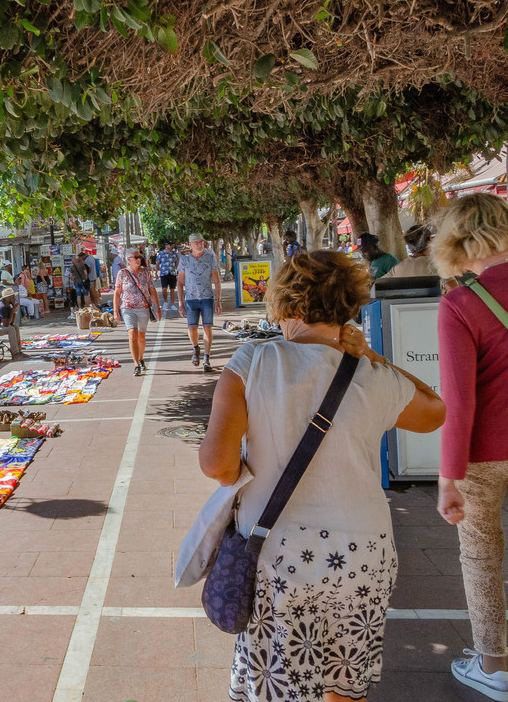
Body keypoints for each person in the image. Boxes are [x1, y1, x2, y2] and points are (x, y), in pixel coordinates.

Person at [200, 251, 444, 702]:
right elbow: (434, 411)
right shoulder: (371, 375)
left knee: (280, 683)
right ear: (349, 307)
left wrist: (246, 471)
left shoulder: (251, 361)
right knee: (345, 685)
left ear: (284, 304)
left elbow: (217, 466)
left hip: (279, 554)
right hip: (364, 554)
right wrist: (370, 354)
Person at [431, 194, 508, 700]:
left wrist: (447, 478)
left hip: (484, 452)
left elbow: (458, 403)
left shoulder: (461, 303)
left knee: (481, 554)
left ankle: (494, 666)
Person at [177, 233, 223, 372]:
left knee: (207, 327)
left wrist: (218, 300)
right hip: (191, 299)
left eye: (201, 241)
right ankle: (195, 348)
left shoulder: (210, 258)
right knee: (192, 328)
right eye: (196, 242)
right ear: (190, 245)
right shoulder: (184, 261)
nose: (199, 244)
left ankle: (206, 359)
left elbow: (216, 280)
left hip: (207, 298)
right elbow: (180, 283)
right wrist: (180, 303)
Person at [113, 250, 161, 377]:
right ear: (129, 259)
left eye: (140, 257)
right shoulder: (122, 273)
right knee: (132, 333)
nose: (139, 259)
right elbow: (117, 293)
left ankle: (141, 358)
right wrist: (116, 312)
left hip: (143, 307)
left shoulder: (145, 272)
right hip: (127, 307)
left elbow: (152, 289)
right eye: (136, 257)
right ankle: (136, 364)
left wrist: (158, 307)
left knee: (141, 335)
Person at [157, 240, 179, 314]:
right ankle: (165, 302)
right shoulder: (161, 253)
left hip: (172, 273)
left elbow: (176, 262)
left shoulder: (174, 254)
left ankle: (172, 304)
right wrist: (157, 272)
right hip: (164, 273)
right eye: (167, 245)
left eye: (170, 245)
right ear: (165, 246)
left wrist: (178, 270)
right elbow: (157, 263)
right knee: (164, 289)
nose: (169, 247)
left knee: (172, 289)